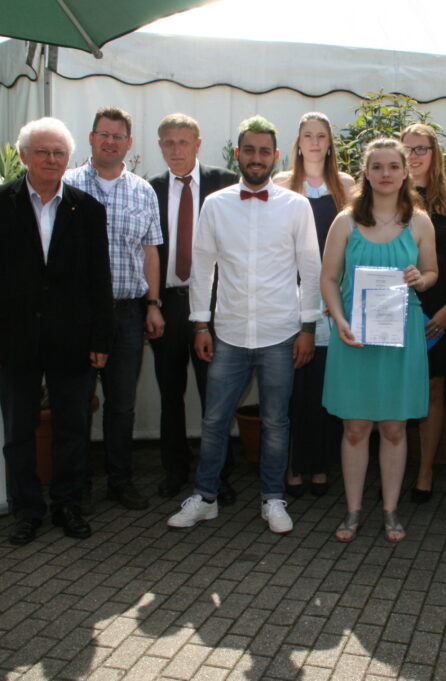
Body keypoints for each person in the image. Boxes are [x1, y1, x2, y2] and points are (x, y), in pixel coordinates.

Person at [166, 116, 321, 534]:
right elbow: (202, 268)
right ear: (238, 153)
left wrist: (308, 327)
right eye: (249, 150)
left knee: (276, 422)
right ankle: (206, 497)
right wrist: (200, 325)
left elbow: (310, 269)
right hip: (230, 333)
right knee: (214, 420)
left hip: (280, 332)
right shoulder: (216, 205)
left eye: (264, 151)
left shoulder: (296, 206)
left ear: (276, 156)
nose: (256, 158)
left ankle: (273, 498)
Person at [0, 117, 113, 545]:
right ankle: (27, 510)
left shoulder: (87, 209)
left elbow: (99, 280)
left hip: (73, 341)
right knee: (18, 430)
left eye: (59, 152)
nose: (51, 159)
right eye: (43, 151)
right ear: (24, 155)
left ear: (69, 158)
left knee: (72, 429)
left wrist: (101, 339)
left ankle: (68, 505)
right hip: (14, 341)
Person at [320, 138, 438, 542]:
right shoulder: (345, 222)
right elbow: (328, 278)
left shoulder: (419, 222)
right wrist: (339, 320)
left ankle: (390, 511)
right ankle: (353, 511)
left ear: (405, 172)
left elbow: (432, 273)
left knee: (393, 428)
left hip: (400, 337)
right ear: (366, 174)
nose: (385, 173)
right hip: (354, 337)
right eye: (377, 166)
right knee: (355, 428)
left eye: (393, 166)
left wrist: (421, 279)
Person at [63, 106, 164, 511]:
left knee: (122, 404)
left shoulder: (143, 191)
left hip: (127, 313)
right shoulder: (67, 185)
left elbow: (151, 252)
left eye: (117, 136)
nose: (110, 142)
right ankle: (78, 486)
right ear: (91, 138)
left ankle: (120, 481)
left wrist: (153, 304)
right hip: (79, 315)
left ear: (129, 143)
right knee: (77, 402)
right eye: (103, 135)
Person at [148, 114, 239, 503]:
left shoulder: (226, 183)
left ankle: (217, 474)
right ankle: (175, 470)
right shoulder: (149, 189)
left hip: (214, 306)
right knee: (170, 393)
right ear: (159, 146)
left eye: (183, 142)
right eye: (168, 142)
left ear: (198, 144)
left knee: (214, 395)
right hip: (167, 303)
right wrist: (151, 303)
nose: (176, 150)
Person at [274, 112, 354, 498]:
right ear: (298, 141)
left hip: (332, 296)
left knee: (325, 383)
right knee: (294, 385)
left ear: (330, 143)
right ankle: (294, 465)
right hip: (291, 295)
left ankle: (320, 465)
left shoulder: (347, 186)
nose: (315, 142)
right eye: (308, 135)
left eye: (322, 135)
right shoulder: (282, 183)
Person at [399, 123, 446, 504]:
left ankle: (425, 472)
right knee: (394, 383)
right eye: (407, 148)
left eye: (421, 148)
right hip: (394, 302)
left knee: (434, 388)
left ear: (434, 153)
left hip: (440, 304)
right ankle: (392, 467)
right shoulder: (388, 194)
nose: (414, 156)